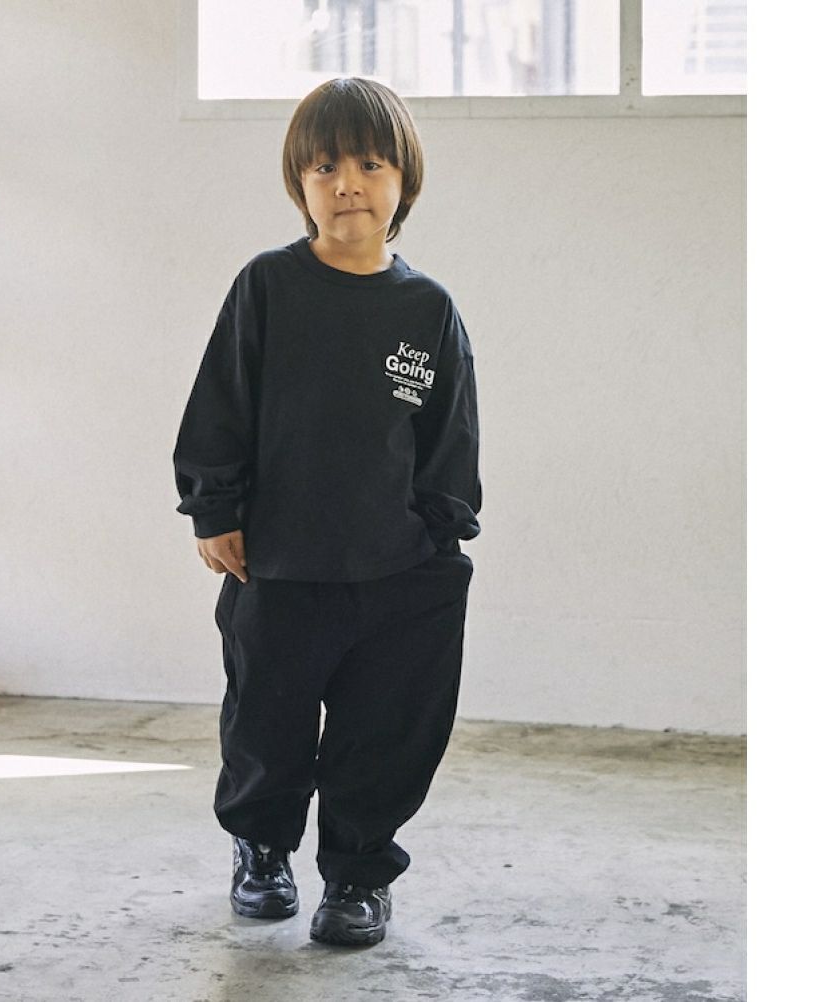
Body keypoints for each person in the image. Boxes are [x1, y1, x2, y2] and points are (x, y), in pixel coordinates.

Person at [172, 76, 482, 947]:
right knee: (265, 723)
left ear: (404, 181)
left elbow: (450, 439)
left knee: (386, 732)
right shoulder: (268, 286)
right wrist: (214, 510)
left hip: (399, 574)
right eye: (325, 168)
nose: (347, 184)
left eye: (370, 165)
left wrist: (439, 539)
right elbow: (220, 405)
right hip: (277, 565)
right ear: (299, 184)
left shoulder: (427, 310)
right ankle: (262, 852)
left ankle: (356, 876)